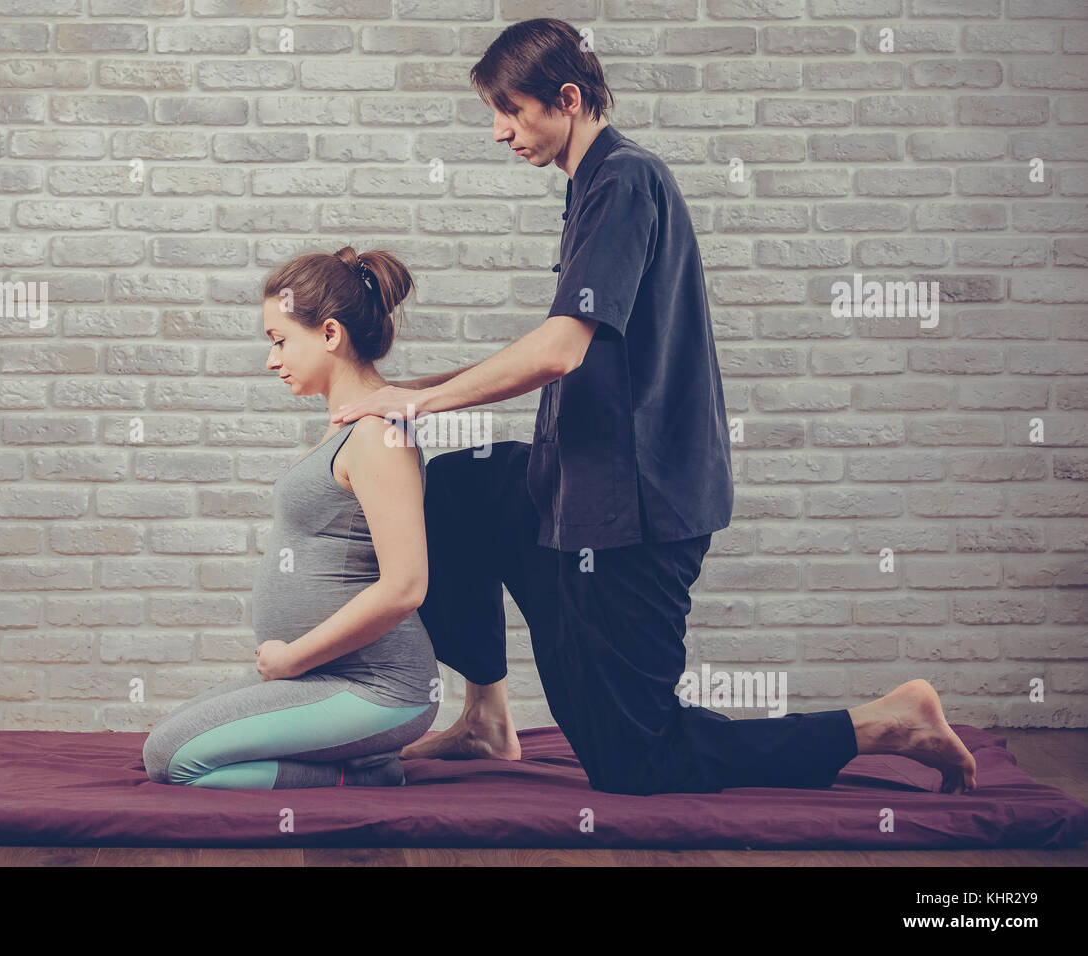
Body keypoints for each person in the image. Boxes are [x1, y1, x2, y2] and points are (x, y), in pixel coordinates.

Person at [332, 18, 979, 796]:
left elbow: (557, 350)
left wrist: (423, 399)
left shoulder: (625, 180)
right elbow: (559, 342)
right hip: (572, 484)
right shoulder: (592, 185)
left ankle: (882, 723)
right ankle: (487, 721)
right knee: (458, 492)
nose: (500, 131)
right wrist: (406, 392)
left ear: (565, 99)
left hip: (638, 511)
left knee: (636, 759)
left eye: (510, 111)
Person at [142, 247, 440, 789]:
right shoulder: (349, 426)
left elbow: (406, 587)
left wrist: (291, 659)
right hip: (326, 679)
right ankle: (365, 765)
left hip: (379, 688)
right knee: (165, 739)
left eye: (280, 341)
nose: (271, 360)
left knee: (175, 760)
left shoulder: (377, 435)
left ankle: (356, 779)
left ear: (329, 334)